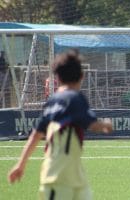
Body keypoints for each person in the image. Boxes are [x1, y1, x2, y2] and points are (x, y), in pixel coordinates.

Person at [7, 50, 113, 200]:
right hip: (67, 179)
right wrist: (106, 124)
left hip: (58, 177)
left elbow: (35, 136)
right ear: (81, 77)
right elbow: (94, 125)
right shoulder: (76, 98)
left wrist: (20, 165)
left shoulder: (51, 102)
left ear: (57, 77)